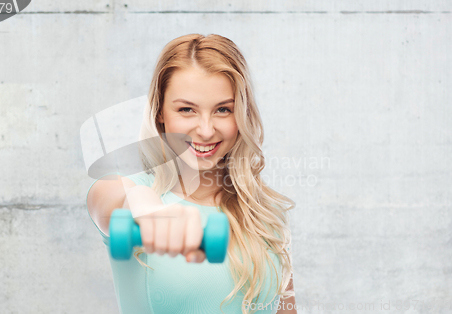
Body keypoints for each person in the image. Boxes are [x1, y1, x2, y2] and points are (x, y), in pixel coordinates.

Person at [87, 33, 297, 314]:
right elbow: (111, 198)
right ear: (159, 110)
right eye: (187, 110)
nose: (206, 130)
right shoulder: (124, 193)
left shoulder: (265, 216)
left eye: (223, 110)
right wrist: (144, 205)